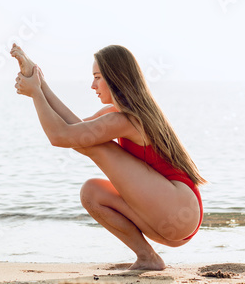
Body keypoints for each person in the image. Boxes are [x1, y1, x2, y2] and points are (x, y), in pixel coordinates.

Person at [11, 43, 206, 270]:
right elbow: (73, 130)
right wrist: (39, 82)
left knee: (98, 147)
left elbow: (60, 136)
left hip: (179, 208)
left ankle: (148, 259)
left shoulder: (127, 120)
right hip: (167, 219)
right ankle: (147, 258)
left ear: (115, 78)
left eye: (97, 77)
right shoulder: (116, 116)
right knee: (91, 191)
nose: (92, 85)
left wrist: (36, 93)